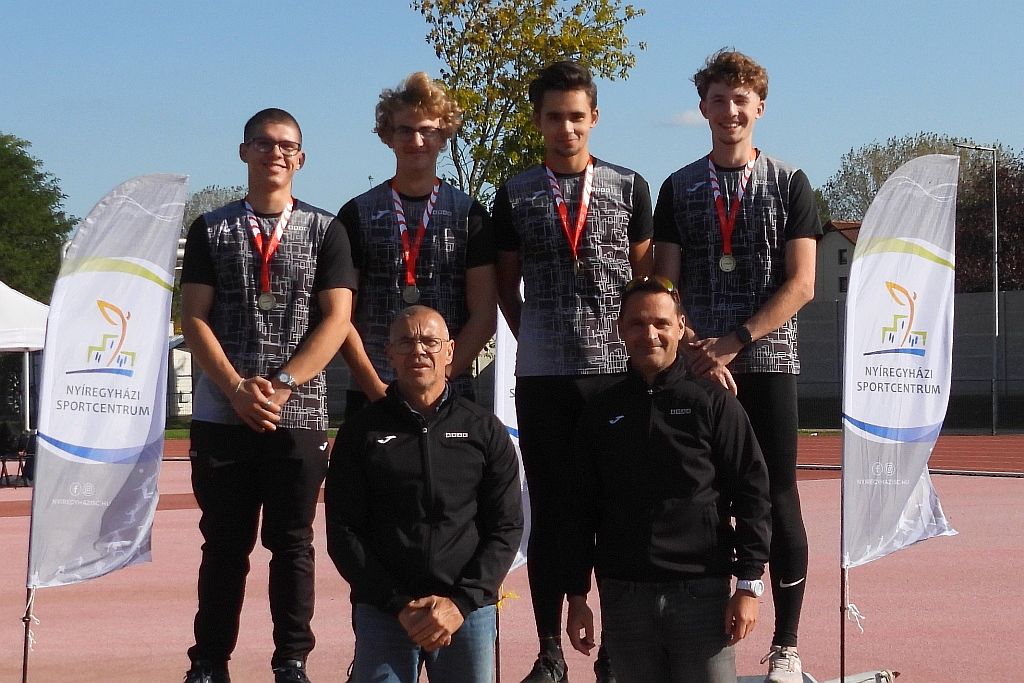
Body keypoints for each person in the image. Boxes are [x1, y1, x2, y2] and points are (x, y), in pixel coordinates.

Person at [652, 49, 822, 683]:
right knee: (701, 498)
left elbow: (803, 283)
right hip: (698, 368)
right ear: (703, 108)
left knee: (777, 498)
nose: (730, 111)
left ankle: (786, 645)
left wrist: (735, 341)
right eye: (719, 100)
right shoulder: (678, 187)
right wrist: (699, 348)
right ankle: (702, 636)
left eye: (741, 100)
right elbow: (665, 285)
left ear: (761, 108)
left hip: (768, 362)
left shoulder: (791, 182)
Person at [180, 108, 357, 683]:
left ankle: (291, 660)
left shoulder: (327, 229)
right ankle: (209, 662)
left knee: (293, 543)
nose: (275, 153)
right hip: (223, 413)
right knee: (223, 545)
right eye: (263, 143)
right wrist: (235, 388)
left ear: (300, 158)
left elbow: (336, 320)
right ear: (244, 152)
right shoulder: (210, 228)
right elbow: (194, 317)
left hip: (298, 412)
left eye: (286, 146)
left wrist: (283, 385)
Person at [493, 59, 653, 683]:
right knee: (552, 512)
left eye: (577, 117)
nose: (567, 129)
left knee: (614, 508)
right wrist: (535, 335)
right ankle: (549, 651)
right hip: (544, 379)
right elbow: (506, 285)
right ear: (538, 121)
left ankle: (613, 650)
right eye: (555, 117)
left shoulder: (630, 185)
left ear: (595, 118)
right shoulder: (514, 193)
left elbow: (643, 279)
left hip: (614, 373)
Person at [565, 275, 772, 683]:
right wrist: (576, 594)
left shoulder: (713, 404)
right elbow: (579, 507)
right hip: (625, 598)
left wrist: (749, 584)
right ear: (620, 330)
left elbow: (753, 492)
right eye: (637, 324)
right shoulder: (601, 411)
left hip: (701, 595)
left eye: (661, 323)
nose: (650, 334)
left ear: (680, 327)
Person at [326, 305, 523, 683]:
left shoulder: (484, 430)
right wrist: (396, 603)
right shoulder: (360, 432)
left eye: (430, 342)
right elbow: (343, 530)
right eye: (406, 342)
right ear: (389, 354)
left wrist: (461, 603)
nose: (419, 350)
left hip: (466, 612)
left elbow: (507, 526)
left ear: (450, 351)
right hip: (385, 611)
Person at [338, 72, 496, 417]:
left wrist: (441, 379)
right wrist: (376, 389)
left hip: (451, 391)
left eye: (428, 130)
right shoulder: (356, 214)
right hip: (373, 390)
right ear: (388, 136)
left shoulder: (470, 215)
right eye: (405, 130)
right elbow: (341, 317)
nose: (417, 140)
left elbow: (484, 315)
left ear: (444, 136)